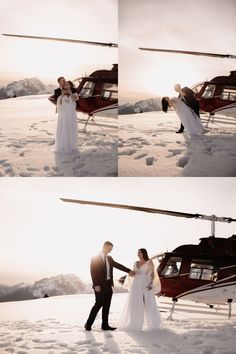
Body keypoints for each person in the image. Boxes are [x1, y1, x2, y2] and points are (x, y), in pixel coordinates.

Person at [85, 241, 134, 331]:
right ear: (105, 247)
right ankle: (88, 324)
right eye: (110, 249)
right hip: (99, 285)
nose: (110, 251)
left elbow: (118, 265)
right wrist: (96, 284)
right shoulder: (95, 258)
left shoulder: (109, 258)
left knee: (107, 305)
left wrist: (129, 271)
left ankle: (105, 325)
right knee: (98, 304)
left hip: (108, 285)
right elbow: (93, 272)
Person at [118, 248, 162, 331]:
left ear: (144, 253)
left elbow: (153, 274)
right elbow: (132, 273)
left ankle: (154, 324)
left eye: (140, 252)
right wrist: (131, 274)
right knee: (135, 302)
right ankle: (134, 324)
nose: (138, 254)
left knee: (149, 302)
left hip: (145, 283)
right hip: (136, 284)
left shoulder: (149, 262)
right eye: (137, 252)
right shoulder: (135, 263)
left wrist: (151, 284)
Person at [55, 81, 78, 154]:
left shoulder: (74, 93)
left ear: (70, 86)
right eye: (65, 84)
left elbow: (74, 100)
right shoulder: (61, 93)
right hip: (64, 114)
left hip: (71, 114)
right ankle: (63, 146)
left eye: (67, 84)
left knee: (71, 128)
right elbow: (60, 103)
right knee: (64, 128)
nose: (66, 85)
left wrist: (70, 93)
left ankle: (71, 146)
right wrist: (62, 95)